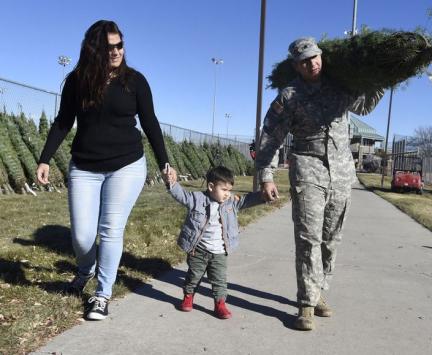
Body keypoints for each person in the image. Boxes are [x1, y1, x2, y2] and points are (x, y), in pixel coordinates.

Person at [36, 20, 169, 321]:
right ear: (94, 49)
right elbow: (62, 122)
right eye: (109, 47)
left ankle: (102, 294)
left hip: (127, 164)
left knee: (110, 230)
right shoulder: (76, 81)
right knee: (82, 237)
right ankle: (86, 269)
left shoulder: (135, 81)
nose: (116, 52)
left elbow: (150, 123)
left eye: (120, 45)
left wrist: (164, 163)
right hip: (84, 166)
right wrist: (44, 159)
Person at [256, 37, 384, 330]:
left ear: (321, 55)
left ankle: (319, 290)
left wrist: (382, 79)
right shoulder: (289, 96)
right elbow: (271, 136)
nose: (311, 64)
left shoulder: (340, 86)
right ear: (294, 65)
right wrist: (266, 175)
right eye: (304, 61)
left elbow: (364, 107)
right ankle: (306, 303)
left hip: (341, 171)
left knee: (331, 237)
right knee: (308, 236)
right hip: (307, 168)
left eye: (315, 57)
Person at [163, 165, 264, 319]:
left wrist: (264, 196)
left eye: (229, 190)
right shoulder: (197, 199)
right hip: (198, 250)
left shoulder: (231, 203)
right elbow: (181, 195)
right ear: (211, 186)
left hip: (219, 252)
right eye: (224, 190)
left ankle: (220, 304)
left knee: (219, 280)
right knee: (193, 276)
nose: (227, 194)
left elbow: (246, 200)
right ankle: (188, 298)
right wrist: (171, 183)